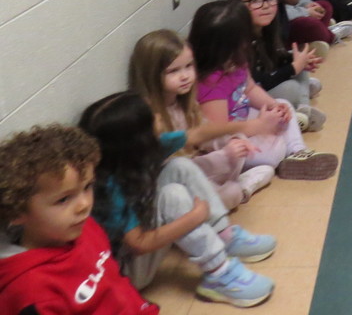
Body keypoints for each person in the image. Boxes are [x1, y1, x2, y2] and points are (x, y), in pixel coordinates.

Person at [80, 92, 277, 307]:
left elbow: (197, 134)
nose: (158, 115)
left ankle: (224, 236)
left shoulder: (140, 148)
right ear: (137, 138)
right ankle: (218, 273)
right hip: (126, 271)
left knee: (179, 166)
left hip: (140, 241)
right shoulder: (109, 187)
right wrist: (194, 218)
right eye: (152, 115)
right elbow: (138, 243)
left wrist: (248, 127)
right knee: (172, 195)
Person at [0, 124, 158, 313]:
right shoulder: (32, 291)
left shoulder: (85, 227)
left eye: (87, 187)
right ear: (17, 212)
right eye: (64, 199)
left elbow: (115, 281)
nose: (84, 204)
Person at [128, 29, 278, 210]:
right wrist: (223, 157)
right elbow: (173, 169)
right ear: (151, 74)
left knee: (238, 141)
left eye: (188, 66)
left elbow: (205, 131)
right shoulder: (151, 117)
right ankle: (241, 190)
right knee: (230, 192)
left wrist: (233, 142)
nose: (185, 76)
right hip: (176, 185)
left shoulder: (183, 103)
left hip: (200, 169)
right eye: (173, 71)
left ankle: (232, 185)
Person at [190, 0, 339, 179]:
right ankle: (286, 148)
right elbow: (220, 133)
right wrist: (260, 126)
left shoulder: (236, 62)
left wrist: (272, 105)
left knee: (283, 104)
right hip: (228, 139)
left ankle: (298, 151)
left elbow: (250, 88)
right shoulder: (210, 83)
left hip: (243, 119)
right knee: (271, 154)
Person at [229, 0, 327, 132]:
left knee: (300, 68)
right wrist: (293, 67)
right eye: (255, 1)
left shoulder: (267, 28)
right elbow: (256, 83)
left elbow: (273, 60)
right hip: (246, 100)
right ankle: (299, 105)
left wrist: (295, 61)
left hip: (265, 88)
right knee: (291, 87)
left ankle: (303, 108)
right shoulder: (237, 38)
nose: (266, 5)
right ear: (238, 5)